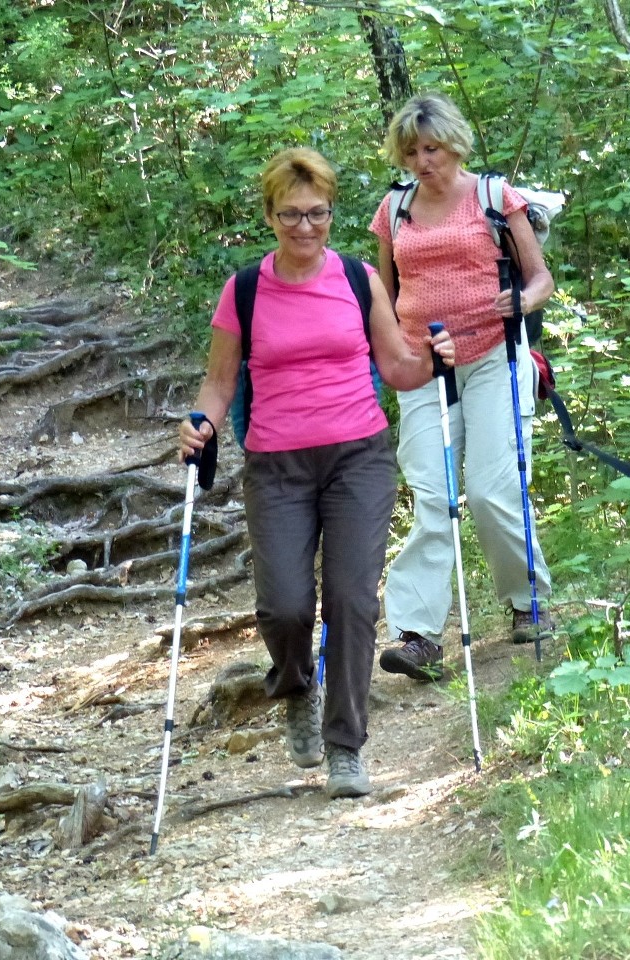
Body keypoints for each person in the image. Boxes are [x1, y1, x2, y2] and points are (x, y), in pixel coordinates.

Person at [179, 147, 454, 797]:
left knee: (353, 601)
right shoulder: (244, 291)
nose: (306, 227)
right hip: (277, 466)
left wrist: (436, 362)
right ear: (270, 216)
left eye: (318, 213)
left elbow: (399, 368)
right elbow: (218, 384)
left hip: (358, 456)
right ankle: (296, 686)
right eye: (291, 215)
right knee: (284, 607)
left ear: (332, 211)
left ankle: (345, 747)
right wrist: (201, 422)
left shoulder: (360, 279)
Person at [370, 92, 555, 684]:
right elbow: (386, 292)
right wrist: (388, 352)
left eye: (433, 148)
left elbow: (539, 277)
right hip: (423, 364)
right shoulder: (394, 209)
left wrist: (521, 301)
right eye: (413, 152)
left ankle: (528, 603)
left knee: (489, 489)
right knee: (432, 494)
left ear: (454, 144)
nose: (424, 161)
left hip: (494, 354)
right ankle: (418, 635)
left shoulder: (495, 198)